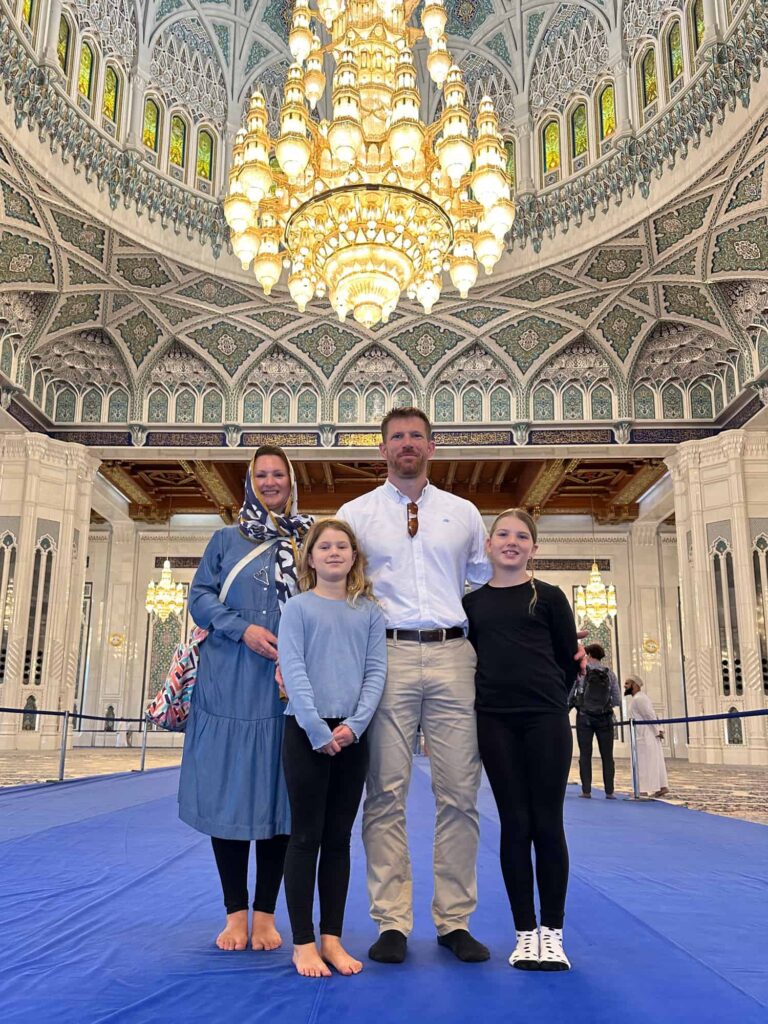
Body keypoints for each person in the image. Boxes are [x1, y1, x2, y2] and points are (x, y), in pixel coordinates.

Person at [336, 408, 492, 965]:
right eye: (397, 437)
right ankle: (392, 922)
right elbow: (339, 587)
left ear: (432, 446)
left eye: (416, 437)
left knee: (459, 795)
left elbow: (484, 582)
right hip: (388, 655)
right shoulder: (355, 514)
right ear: (382, 450)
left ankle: (454, 920)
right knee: (384, 795)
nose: (407, 445)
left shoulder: (464, 512)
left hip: (454, 655)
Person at [178, 446, 312, 952]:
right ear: (249, 482)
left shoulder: (307, 540)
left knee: (280, 799)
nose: (271, 482)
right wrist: (243, 629)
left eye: (279, 474)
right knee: (231, 795)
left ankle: (266, 915)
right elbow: (200, 599)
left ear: (290, 481)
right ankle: (235, 913)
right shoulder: (224, 539)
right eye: (262, 475)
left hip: (286, 687)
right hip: (229, 681)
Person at [463, 509, 580, 971]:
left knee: (547, 822)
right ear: (489, 545)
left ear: (534, 547)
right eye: (504, 535)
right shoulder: (471, 604)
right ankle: (524, 932)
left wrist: (548, 697)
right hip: (494, 721)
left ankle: (552, 934)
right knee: (515, 823)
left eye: (523, 536)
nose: (513, 542)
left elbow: (567, 659)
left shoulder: (548, 597)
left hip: (545, 719)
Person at [278, 519, 387, 978]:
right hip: (305, 732)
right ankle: (303, 942)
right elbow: (294, 669)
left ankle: (333, 939)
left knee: (339, 840)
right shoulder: (297, 609)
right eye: (325, 546)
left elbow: (375, 672)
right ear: (311, 556)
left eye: (342, 546)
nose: (334, 553)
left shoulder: (369, 612)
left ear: (354, 556)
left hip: (352, 737)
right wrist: (317, 727)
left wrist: (354, 726)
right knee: (306, 837)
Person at [572, 642, 621, 800]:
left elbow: (572, 693)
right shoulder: (610, 674)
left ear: (589, 655)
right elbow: (617, 700)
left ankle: (586, 791)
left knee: (585, 754)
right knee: (607, 756)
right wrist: (604, 706)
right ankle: (609, 792)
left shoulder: (582, 672)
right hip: (605, 718)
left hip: (585, 717)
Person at [625, 676, 669, 797]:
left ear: (635, 685)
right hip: (644, 735)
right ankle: (661, 787)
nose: (625, 686)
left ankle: (642, 790)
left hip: (645, 736)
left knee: (644, 764)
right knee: (652, 762)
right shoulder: (638, 698)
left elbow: (649, 715)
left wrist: (657, 731)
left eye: (627, 683)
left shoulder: (639, 699)